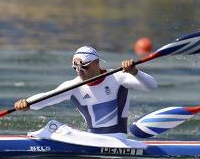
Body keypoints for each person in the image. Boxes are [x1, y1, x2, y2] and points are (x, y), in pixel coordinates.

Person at [14, 46, 157, 144]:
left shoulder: (117, 77)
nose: (79, 71)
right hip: (91, 140)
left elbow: (151, 86)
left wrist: (135, 72)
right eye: (75, 68)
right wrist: (27, 103)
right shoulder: (73, 86)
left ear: (96, 63)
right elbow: (47, 97)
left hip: (118, 140)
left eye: (84, 67)